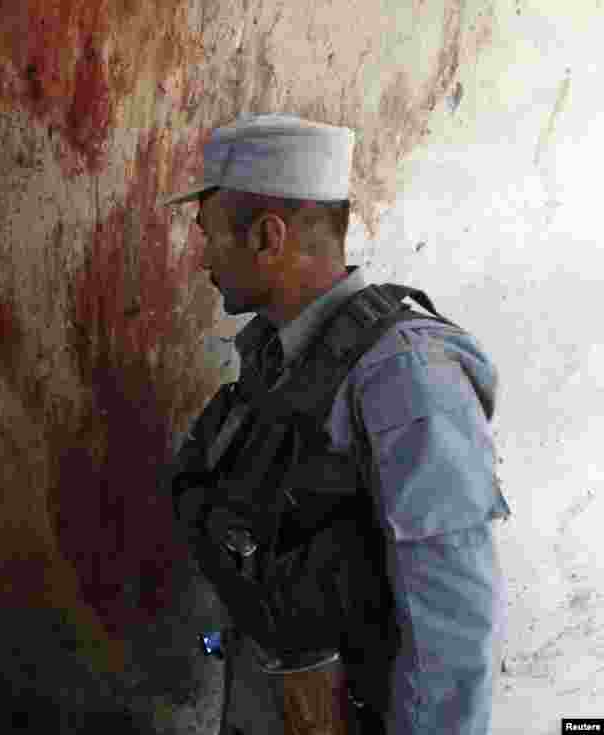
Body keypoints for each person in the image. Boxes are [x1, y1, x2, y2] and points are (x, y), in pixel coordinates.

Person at [159, 114, 511, 734]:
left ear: (268, 238)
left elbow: (452, 631)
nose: (201, 259)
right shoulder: (275, 357)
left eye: (209, 236)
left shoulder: (406, 379)